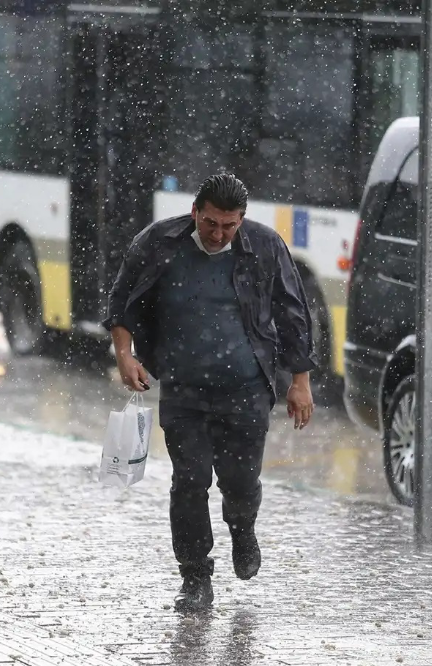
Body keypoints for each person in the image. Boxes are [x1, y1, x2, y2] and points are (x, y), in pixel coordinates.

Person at [103, 173, 317, 612]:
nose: (219, 234)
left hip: (247, 389)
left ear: (242, 219)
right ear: (195, 212)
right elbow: (121, 301)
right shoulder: (159, 242)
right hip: (184, 390)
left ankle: (242, 528)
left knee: (240, 482)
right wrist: (124, 354)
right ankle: (195, 576)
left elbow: (293, 313)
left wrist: (300, 381)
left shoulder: (264, 246)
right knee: (190, 481)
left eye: (229, 226)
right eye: (211, 223)